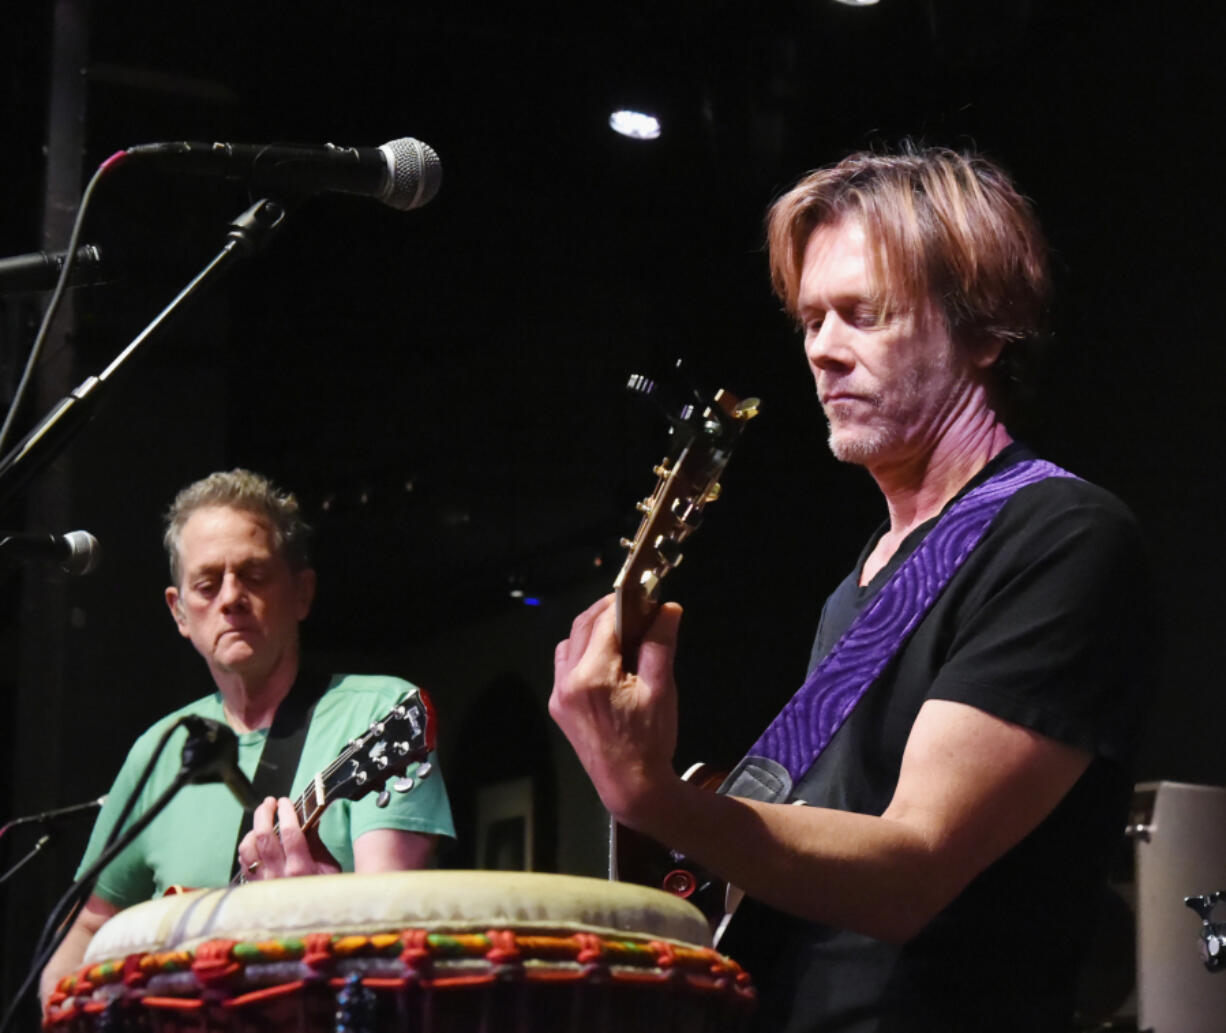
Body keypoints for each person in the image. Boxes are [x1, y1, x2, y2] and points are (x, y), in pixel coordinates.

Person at [549, 145, 1157, 1032]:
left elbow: (913, 866)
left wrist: (653, 797)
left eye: (863, 315)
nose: (824, 352)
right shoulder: (863, 581)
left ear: (986, 332)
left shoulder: (1064, 538)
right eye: (810, 321)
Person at [40, 469, 454, 1004]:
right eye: (207, 584)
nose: (231, 597)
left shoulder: (378, 714)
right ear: (179, 612)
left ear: (302, 592)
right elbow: (84, 934)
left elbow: (397, 933)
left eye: (254, 575)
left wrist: (315, 908)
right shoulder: (163, 747)